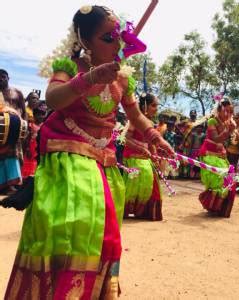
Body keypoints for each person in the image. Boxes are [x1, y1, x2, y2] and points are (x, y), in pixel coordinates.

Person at [4, 6, 173, 298]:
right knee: (69, 229)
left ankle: (91, 291)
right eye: (108, 38)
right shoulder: (70, 68)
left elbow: (136, 116)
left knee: (103, 235)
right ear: (84, 40)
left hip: (103, 166)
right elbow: (54, 99)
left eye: (120, 37)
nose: (117, 44)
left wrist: (154, 135)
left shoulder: (123, 78)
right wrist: (89, 79)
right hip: (67, 163)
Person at [198, 97, 239, 217]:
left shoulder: (229, 123)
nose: (228, 114)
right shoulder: (212, 121)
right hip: (209, 155)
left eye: (230, 111)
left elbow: (238, 138)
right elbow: (216, 138)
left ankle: (218, 208)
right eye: (226, 111)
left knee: (229, 181)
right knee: (219, 181)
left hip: (221, 156)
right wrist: (228, 131)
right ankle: (211, 205)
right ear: (219, 110)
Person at [123, 93, 164, 220]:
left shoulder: (150, 123)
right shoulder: (134, 120)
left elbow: (151, 143)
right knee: (142, 175)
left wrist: (155, 155)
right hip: (133, 157)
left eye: (157, 105)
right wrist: (140, 148)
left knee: (152, 178)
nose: (156, 108)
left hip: (146, 158)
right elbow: (125, 139)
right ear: (144, 106)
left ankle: (147, 212)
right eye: (153, 105)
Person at [0, 91, 27, 193]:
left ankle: (10, 184)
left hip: (12, 130)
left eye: (4, 76)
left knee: (11, 157)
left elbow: (23, 112)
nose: (1, 79)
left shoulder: (16, 92)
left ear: (8, 78)